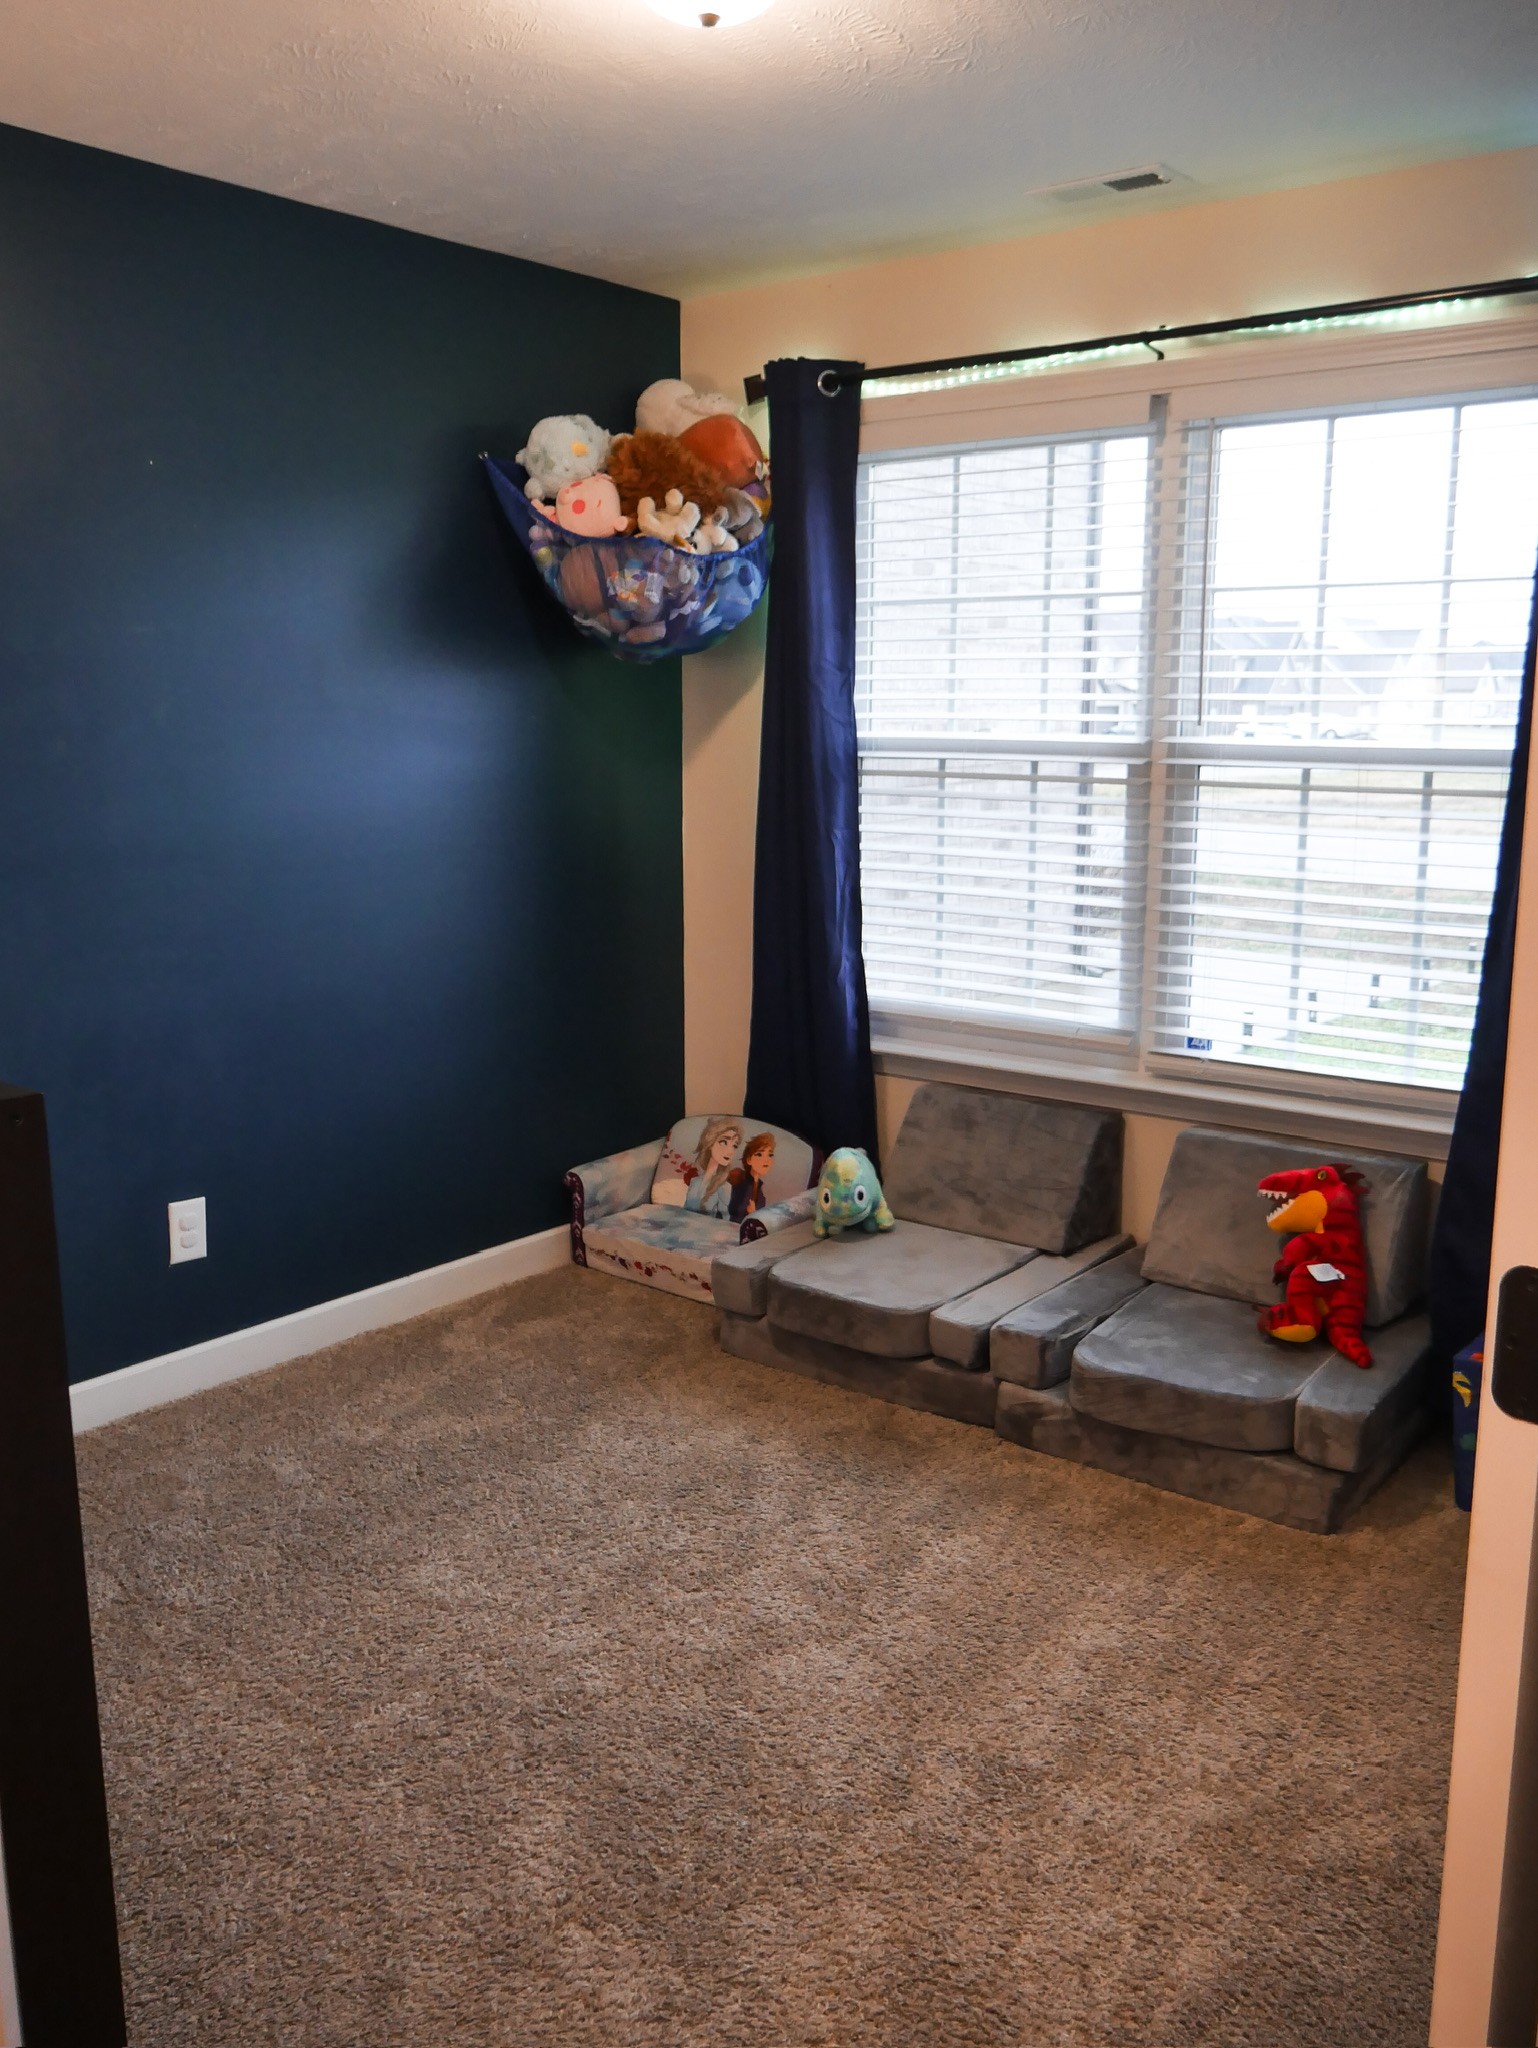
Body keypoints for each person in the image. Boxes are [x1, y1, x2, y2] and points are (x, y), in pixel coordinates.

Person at [684, 1116, 741, 1218]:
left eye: (734, 1146)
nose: (730, 1151)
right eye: (724, 1142)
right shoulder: (695, 1182)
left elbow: (725, 1221)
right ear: (710, 1143)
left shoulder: (724, 1187)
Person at [728, 1131, 776, 1225]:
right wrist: (753, 1214)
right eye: (759, 1154)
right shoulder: (741, 1185)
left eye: (770, 1155)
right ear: (749, 1160)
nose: (766, 1159)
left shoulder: (759, 1188)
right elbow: (733, 1212)